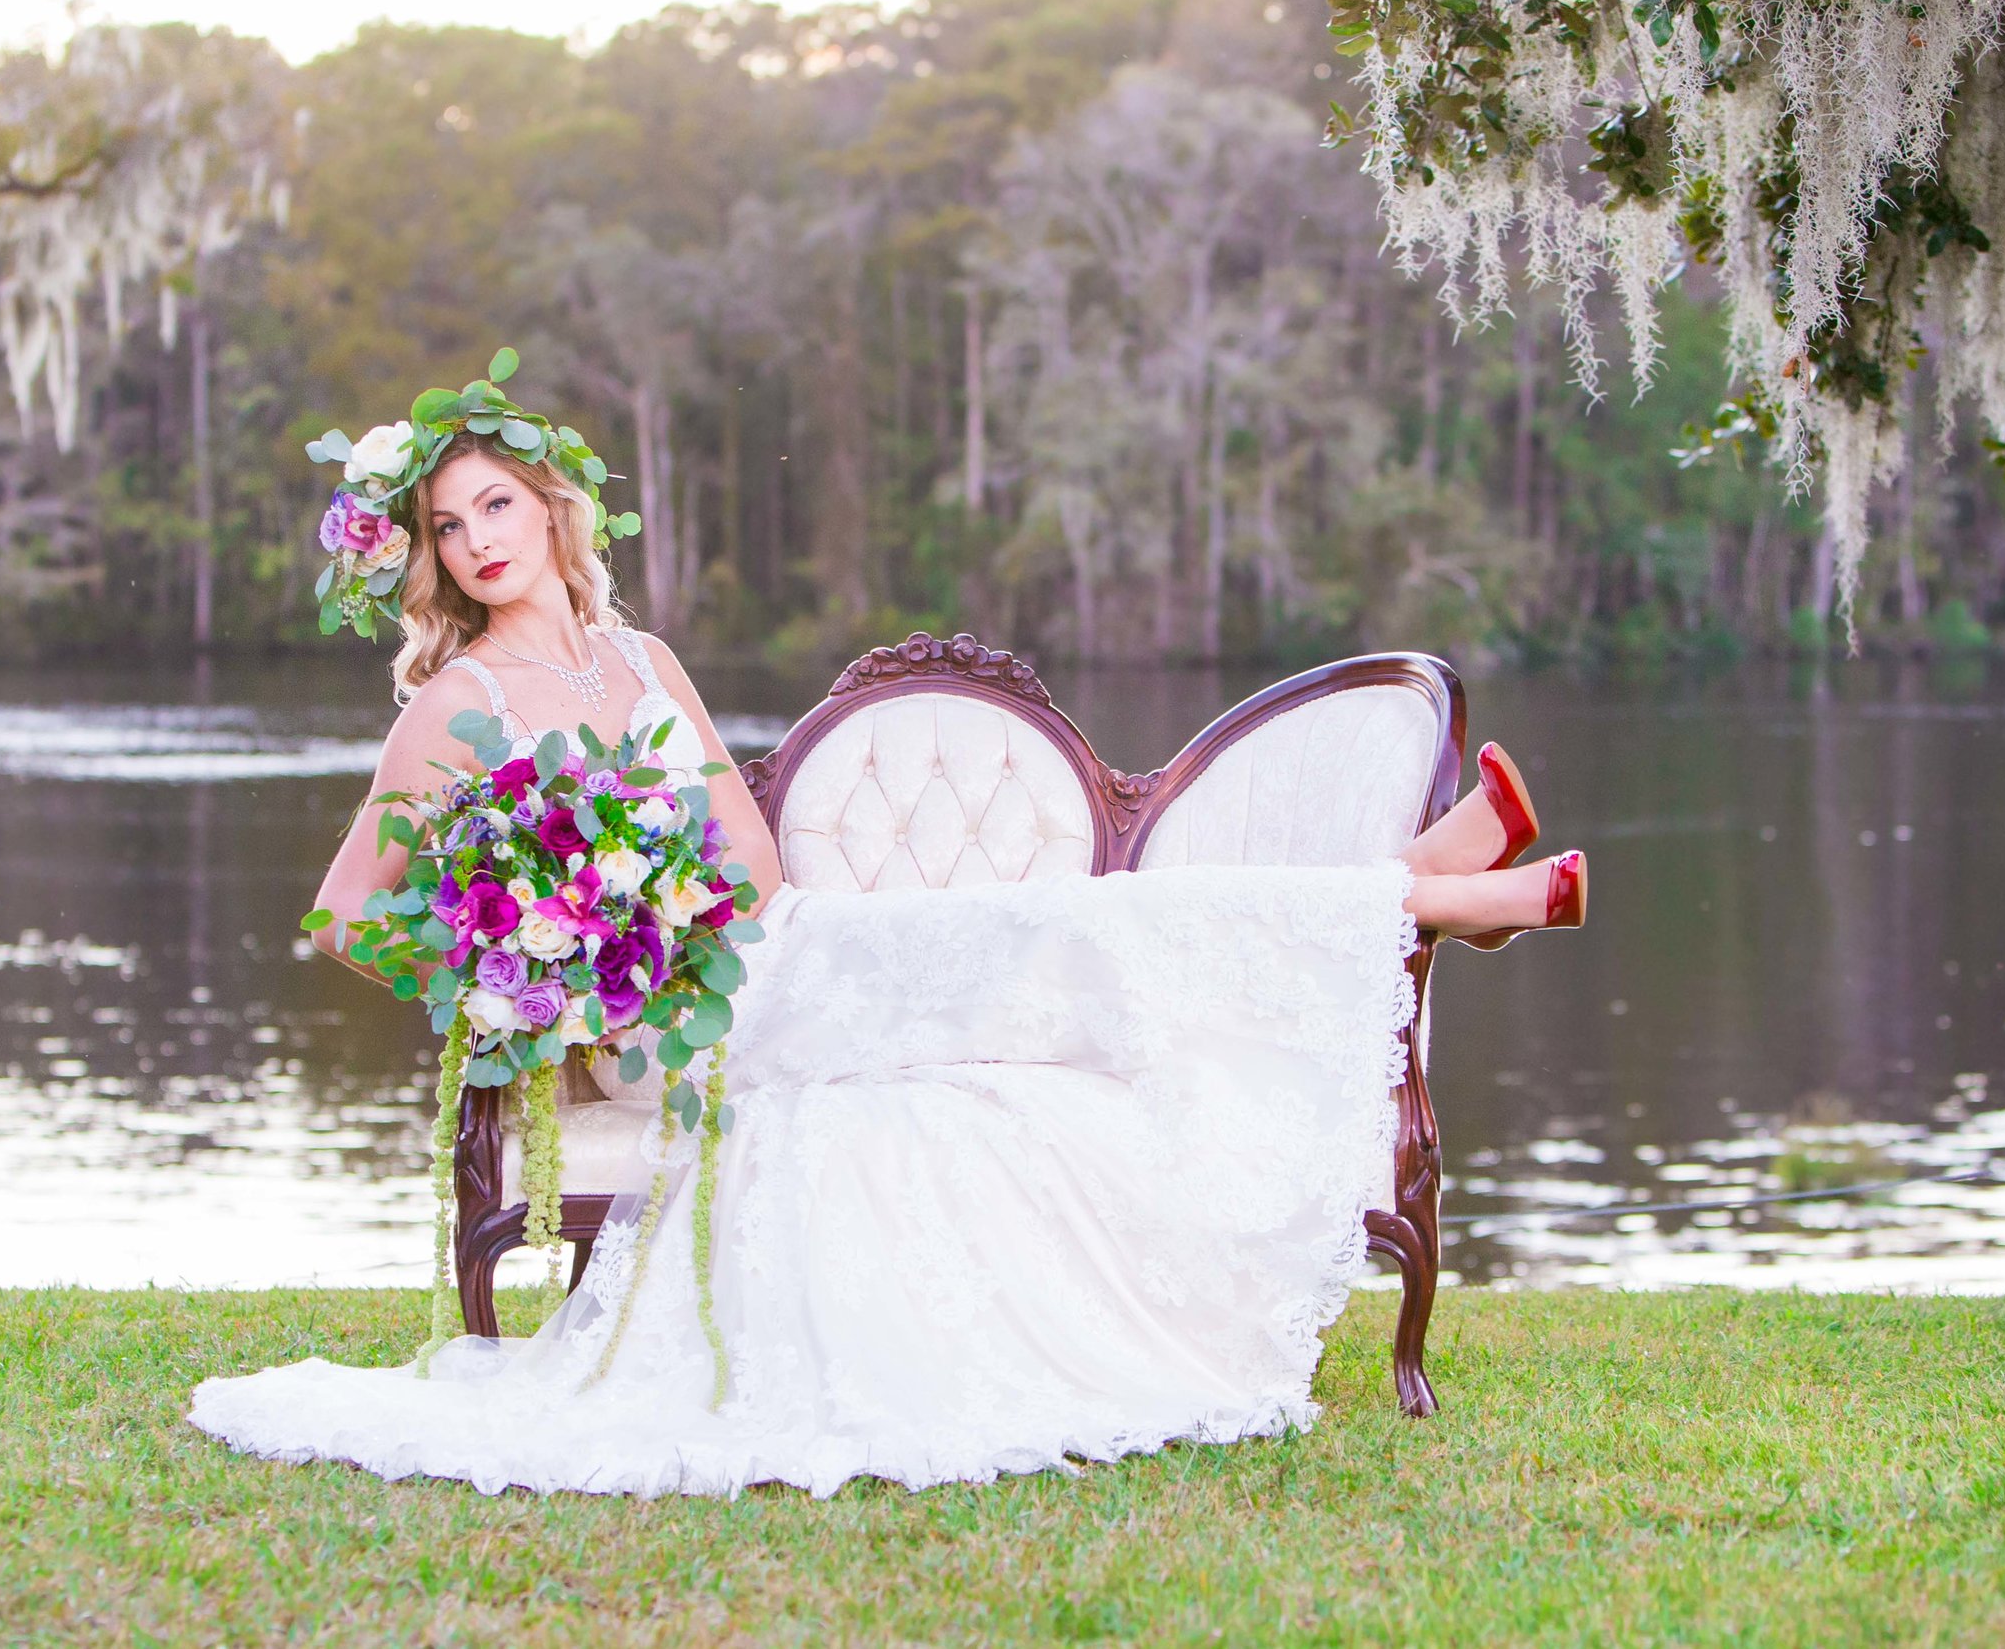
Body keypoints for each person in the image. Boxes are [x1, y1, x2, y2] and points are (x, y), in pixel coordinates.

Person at [189, 384, 1584, 1498]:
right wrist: (540, 985)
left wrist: (675, 890)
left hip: (775, 959)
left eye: (496, 503)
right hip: (658, 1028)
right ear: (429, 555)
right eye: (446, 526)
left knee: (1057, 933)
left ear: (555, 515)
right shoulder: (457, 700)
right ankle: (1442, 891)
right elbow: (346, 912)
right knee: (1050, 931)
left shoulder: (643, 661)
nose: (478, 538)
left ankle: (1415, 881)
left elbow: (749, 853)